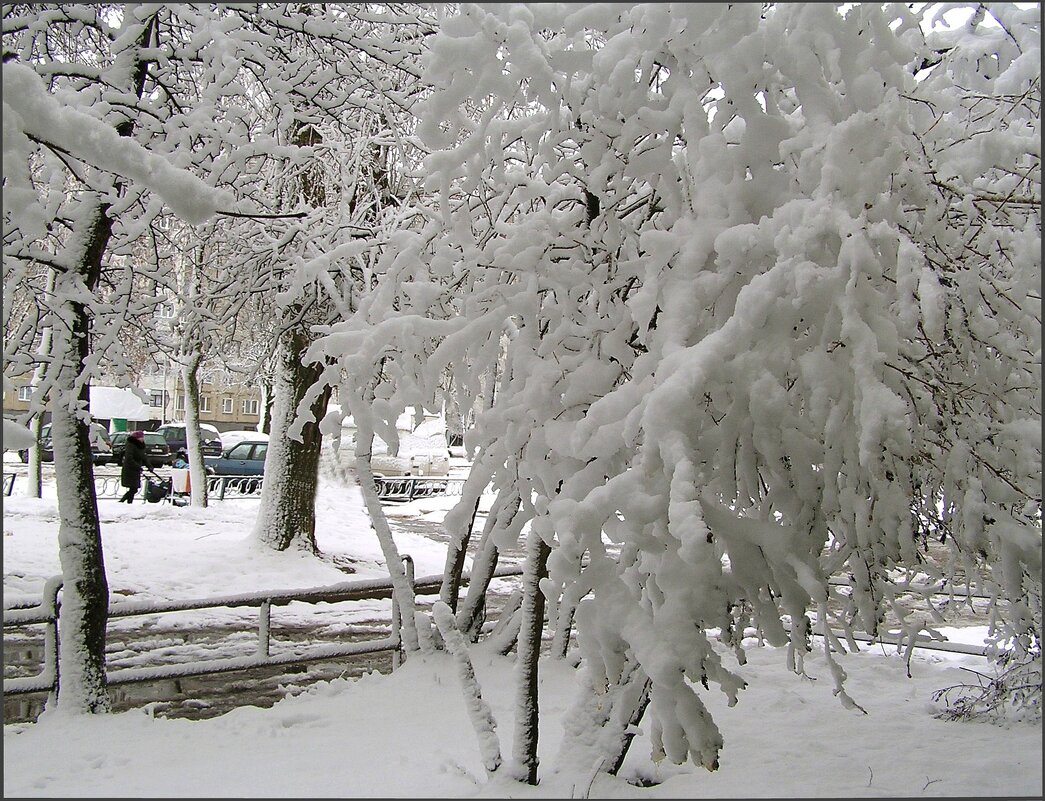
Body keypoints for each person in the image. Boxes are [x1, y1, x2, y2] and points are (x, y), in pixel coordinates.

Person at [119, 430, 147, 503]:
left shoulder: (141, 446)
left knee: (133, 488)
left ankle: (128, 502)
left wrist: (149, 466)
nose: (142, 439)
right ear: (136, 438)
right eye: (141, 437)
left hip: (135, 470)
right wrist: (137, 466)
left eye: (142, 437)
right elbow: (129, 458)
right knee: (134, 488)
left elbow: (143, 457)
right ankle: (122, 501)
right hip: (129, 470)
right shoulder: (131, 445)